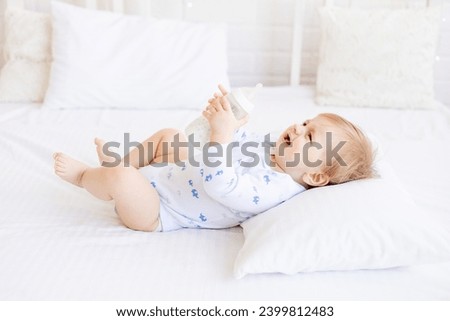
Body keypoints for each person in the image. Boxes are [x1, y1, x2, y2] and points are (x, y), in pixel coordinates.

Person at [53, 85, 375, 232]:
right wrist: (228, 122)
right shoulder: (274, 150)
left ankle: (87, 176)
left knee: (121, 180)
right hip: (175, 172)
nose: (298, 127)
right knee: (169, 135)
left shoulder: (275, 191)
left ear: (317, 177)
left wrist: (221, 135)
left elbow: (221, 183)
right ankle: (123, 161)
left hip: (162, 210)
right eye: (306, 122)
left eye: (310, 136)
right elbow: (233, 143)